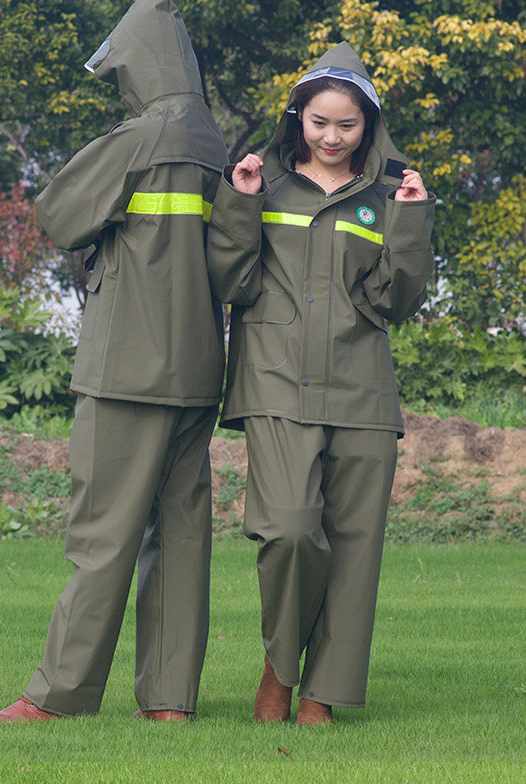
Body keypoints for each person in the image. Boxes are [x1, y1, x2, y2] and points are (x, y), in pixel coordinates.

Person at [0, 0, 229, 723]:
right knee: (179, 536)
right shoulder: (213, 143)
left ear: (138, 65)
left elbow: (58, 213)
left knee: (103, 534)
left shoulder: (139, 137)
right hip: (195, 372)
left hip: (125, 370)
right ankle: (170, 701)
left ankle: (57, 697)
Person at [206, 42, 435, 726]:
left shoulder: (392, 197)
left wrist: (413, 219)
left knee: (356, 548)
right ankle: (280, 670)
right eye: (319, 123)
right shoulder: (262, 188)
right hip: (275, 382)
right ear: (296, 118)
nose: (332, 138)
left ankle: (320, 694)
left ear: (368, 127)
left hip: (362, 389)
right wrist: (240, 204)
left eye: (347, 125)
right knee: (291, 530)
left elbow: (397, 301)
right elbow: (231, 282)